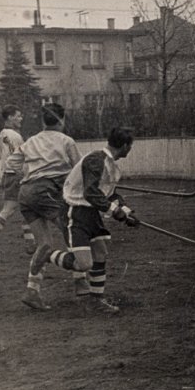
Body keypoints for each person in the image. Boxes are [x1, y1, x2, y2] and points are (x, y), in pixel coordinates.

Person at [31, 127, 139, 315]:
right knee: (84, 264)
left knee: (100, 254)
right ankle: (47, 254)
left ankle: (95, 301)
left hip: (91, 213)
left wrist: (126, 211)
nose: (130, 149)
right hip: (75, 212)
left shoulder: (112, 165)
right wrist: (116, 212)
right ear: (124, 146)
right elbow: (91, 193)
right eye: (130, 146)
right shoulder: (95, 160)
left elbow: (110, 194)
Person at [6, 103, 88, 310]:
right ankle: (81, 283)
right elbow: (78, 170)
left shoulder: (32, 140)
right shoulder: (66, 141)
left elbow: (12, 163)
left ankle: (32, 292)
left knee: (44, 243)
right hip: (47, 192)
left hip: (26, 194)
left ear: (43, 121)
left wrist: (28, 175)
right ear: (62, 120)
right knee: (72, 231)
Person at [0, 105, 36, 260]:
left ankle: (31, 244)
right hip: (16, 175)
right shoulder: (16, 137)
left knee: (24, 207)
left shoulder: (2, 134)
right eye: (18, 116)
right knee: (11, 209)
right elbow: (21, 157)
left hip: (7, 175)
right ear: (10, 117)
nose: (21, 118)